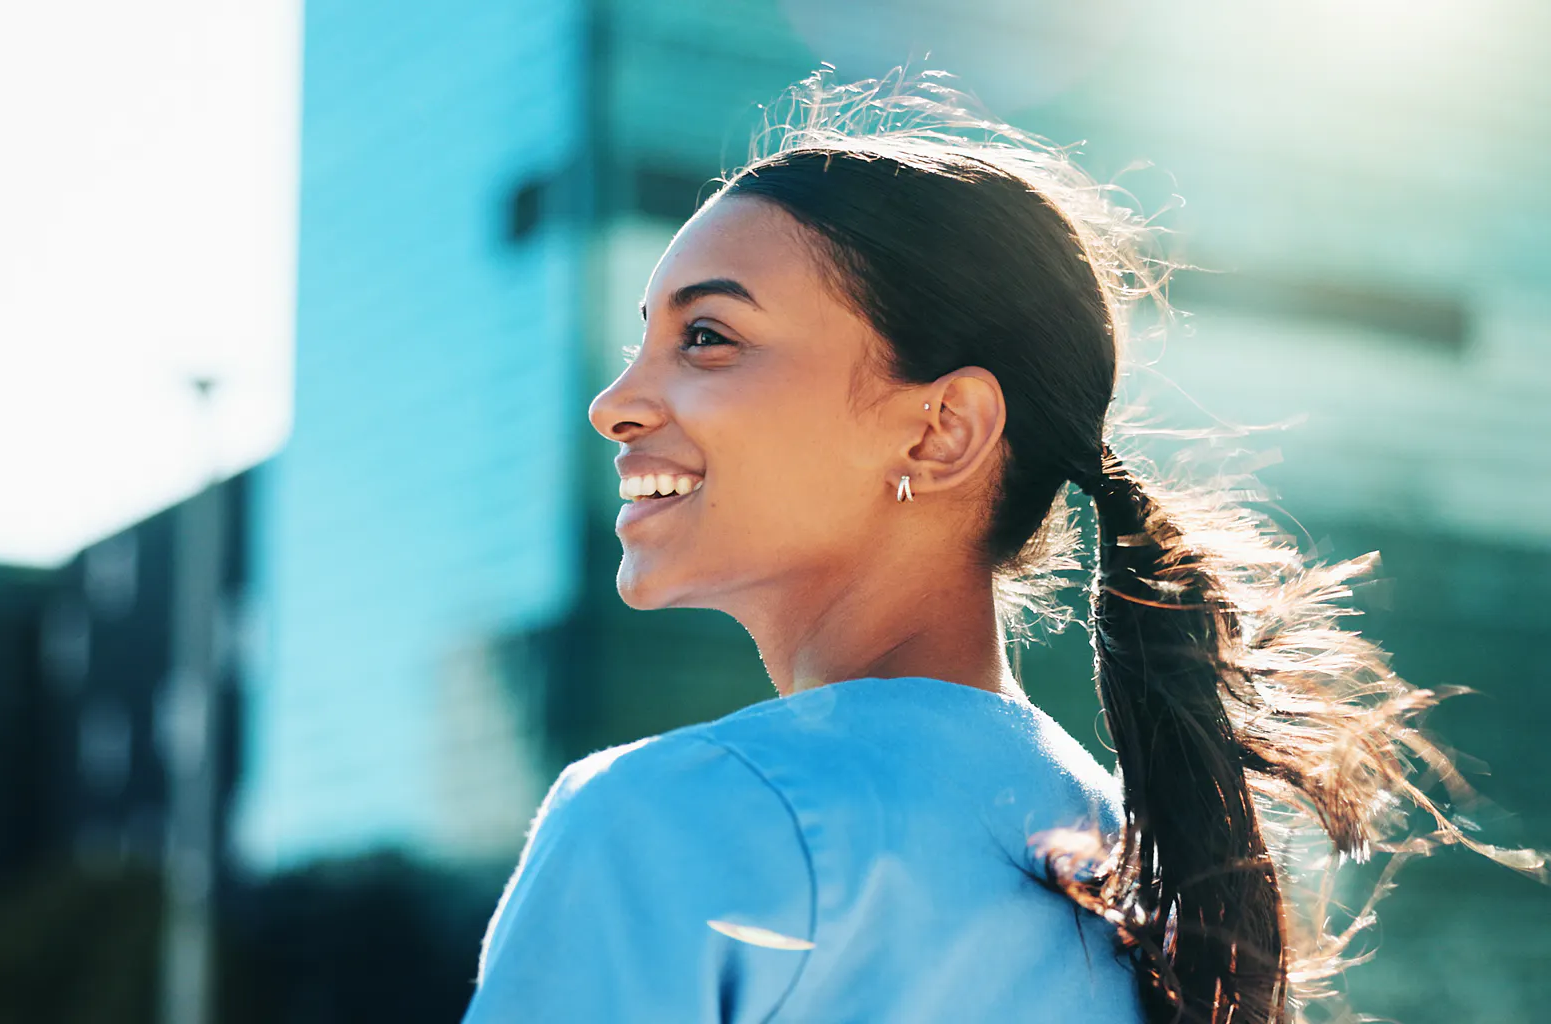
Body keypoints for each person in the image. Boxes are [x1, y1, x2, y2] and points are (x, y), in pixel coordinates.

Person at [459, 71, 1542, 1024]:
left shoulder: (672, 821)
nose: (614, 403)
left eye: (707, 336)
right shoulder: (1144, 887)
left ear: (941, 430)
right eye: (639, 338)